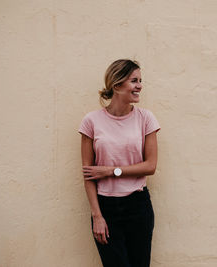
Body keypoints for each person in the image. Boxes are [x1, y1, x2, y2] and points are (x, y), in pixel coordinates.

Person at [78, 59, 160, 267]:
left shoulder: (146, 119)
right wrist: (97, 216)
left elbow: (150, 166)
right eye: (134, 81)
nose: (140, 85)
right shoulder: (91, 121)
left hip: (138, 205)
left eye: (141, 80)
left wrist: (110, 171)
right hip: (105, 208)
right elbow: (88, 174)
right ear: (116, 85)